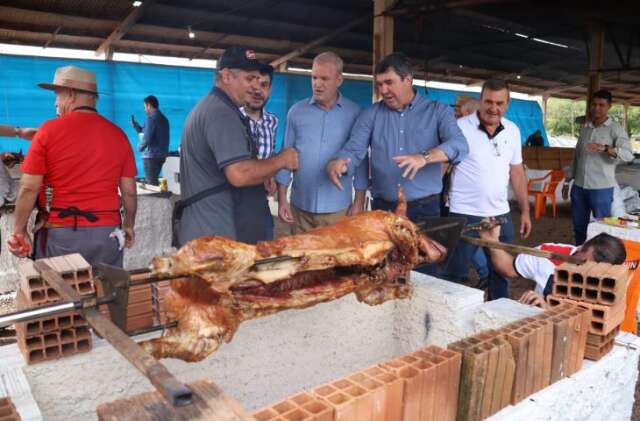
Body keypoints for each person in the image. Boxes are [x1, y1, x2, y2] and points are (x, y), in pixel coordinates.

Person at [6, 65, 137, 267]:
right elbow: (129, 192)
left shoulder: (48, 131)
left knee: (62, 296)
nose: (55, 103)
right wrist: (128, 224)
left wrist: (19, 230)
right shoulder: (119, 135)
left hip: (61, 235)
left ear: (71, 94)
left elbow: (29, 187)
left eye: (57, 96)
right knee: (106, 295)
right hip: (108, 235)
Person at [327, 52, 468, 224]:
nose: (383, 90)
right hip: (383, 207)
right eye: (380, 84)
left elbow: (460, 145)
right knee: (383, 252)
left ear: (408, 80)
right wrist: (339, 161)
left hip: (425, 208)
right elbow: (354, 149)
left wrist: (424, 157)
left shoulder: (438, 111)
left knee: (423, 251)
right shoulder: (370, 114)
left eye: (389, 82)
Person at [177, 46, 298, 246]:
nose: (254, 87)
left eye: (258, 81)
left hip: (208, 226)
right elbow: (239, 174)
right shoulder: (221, 113)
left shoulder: (212, 106)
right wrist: (281, 160)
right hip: (214, 230)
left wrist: (262, 176)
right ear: (226, 76)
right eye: (249, 79)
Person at [444, 79, 531, 300]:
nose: (494, 108)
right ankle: (451, 324)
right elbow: (443, 166)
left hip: (500, 214)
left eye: (500, 103)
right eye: (489, 102)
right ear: (481, 101)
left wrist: (525, 210)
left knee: (502, 272)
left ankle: (497, 317)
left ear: (508, 104)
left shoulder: (512, 130)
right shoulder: (459, 127)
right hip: (463, 213)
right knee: (455, 275)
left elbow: (517, 173)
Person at [276, 52, 368, 234]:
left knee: (336, 260)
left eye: (324, 78)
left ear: (339, 80)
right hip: (300, 208)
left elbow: (361, 161)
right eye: (314, 77)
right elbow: (285, 157)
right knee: (301, 258)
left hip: (338, 210)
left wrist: (359, 202)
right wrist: (282, 200)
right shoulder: (296, 112)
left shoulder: (356, 114)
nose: (317, 84)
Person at [478, 222, 626, 308]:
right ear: (581, 248)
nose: (588, 272)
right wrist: (492, 242)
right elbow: (508, 268)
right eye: (583, 264)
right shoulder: (549, 255)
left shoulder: (611, 281)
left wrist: (549, 308)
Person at [562, 90, 633, 245]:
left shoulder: (615, 129)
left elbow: (628, 154)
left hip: (601, 189)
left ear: (609, 107)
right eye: (594, 104)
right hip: (579, 188)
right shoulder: (586, 129)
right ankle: (581, 253)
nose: (596, 108)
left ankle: (603, 258)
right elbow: (576, 157)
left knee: (603, 228)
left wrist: (606, 148)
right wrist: (567, 182)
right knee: (579, 226)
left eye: (601, 105)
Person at [241, 63, 279, 240]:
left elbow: (269, 156)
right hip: (232, 202)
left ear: (270, 89)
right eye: (253, 85)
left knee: (264, 252)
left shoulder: (272, 122)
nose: (257, 91)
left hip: (260, 202)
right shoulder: (230, 117)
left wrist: (270, 176)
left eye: (263, 85)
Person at [131, 95, 170, 186]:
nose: (144, 109)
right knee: (155, 182)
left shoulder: (151, 119)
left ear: (149, 105)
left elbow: (147, 138)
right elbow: (148, 133)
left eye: (144, 107)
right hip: (161, 155)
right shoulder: (164, 119)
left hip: (151, 156)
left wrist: (139, 147)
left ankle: (156, 200)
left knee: (152, 185)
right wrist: (137, 127)